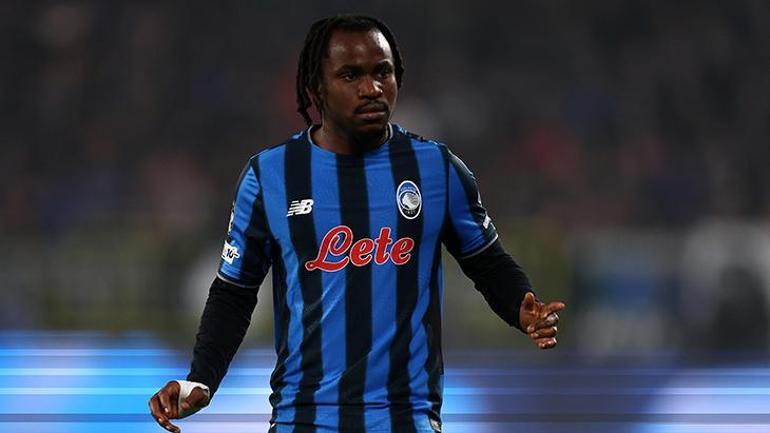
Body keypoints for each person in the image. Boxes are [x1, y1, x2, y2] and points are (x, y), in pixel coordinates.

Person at [148, 14, 566, 433]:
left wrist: (520, 306)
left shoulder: (436, 170)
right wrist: (202, 377)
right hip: (304, 420)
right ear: (317, 88)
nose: (371, 88)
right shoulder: (270, 176)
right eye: (351, 75)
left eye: (382, 72)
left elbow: (487, 262)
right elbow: (234, 293)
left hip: (406, 421)